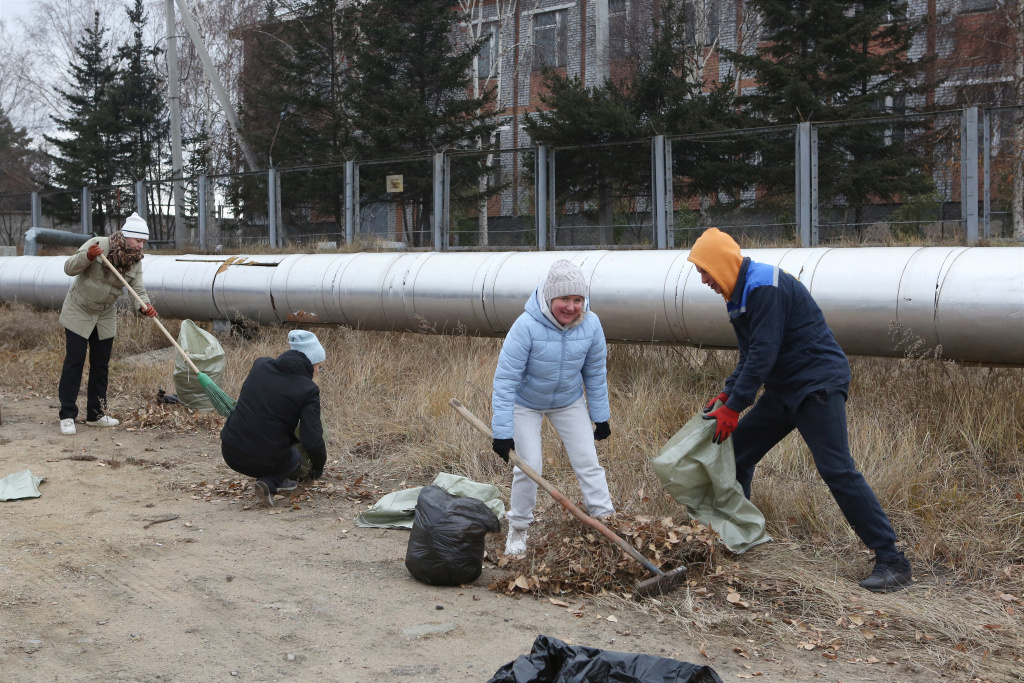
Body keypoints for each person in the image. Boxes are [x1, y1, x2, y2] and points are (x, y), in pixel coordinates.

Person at [687, 227, 912, 593]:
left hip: (816, 384)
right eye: (699, 273)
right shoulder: (739, 290)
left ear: (721, 263)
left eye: (705, 271)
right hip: (784, 388)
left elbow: (764, 352)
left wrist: (737, 405)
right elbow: (750, 352)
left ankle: (892, 560)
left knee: (837, 469)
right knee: (739, 453)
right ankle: (742, 535)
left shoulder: (763, 287)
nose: (703, 280)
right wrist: (728, 394)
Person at [491, 259, 615, 557]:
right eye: (564, 299)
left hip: (568, 401)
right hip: (526, 404)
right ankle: (518, 530)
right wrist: (502, 432)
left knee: (588, 462)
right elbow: (505, 382)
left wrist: (600, 417)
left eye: (577, 299)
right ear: (549, 298)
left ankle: (608, 524)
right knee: (529, 467)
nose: (571, 307)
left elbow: (595, 374)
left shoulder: (591, 324)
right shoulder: (526, 327)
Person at [58, 212, 157, 436]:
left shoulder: (135, 260)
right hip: (79, 309)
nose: (141, 246)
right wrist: (89, 257)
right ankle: (67, 415)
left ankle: (96, 414)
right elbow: (69, 267)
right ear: (126, 236)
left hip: (104, 313)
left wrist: (144, 306)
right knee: (75, 361)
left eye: (143, 242)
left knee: (101, 364)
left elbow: (137, 289)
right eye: (138, 241)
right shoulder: (99, 244)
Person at [221, 329, 328, 507]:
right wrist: (318, 467)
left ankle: (271, 481)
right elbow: (313, 439)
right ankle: (270, 479)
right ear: (311, 364)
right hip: (263, 458)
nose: (318, 372)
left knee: (269, 445)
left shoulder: (260, 365)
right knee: (294, 457)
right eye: (319, 367)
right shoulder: (308, 390)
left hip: (230, 451)